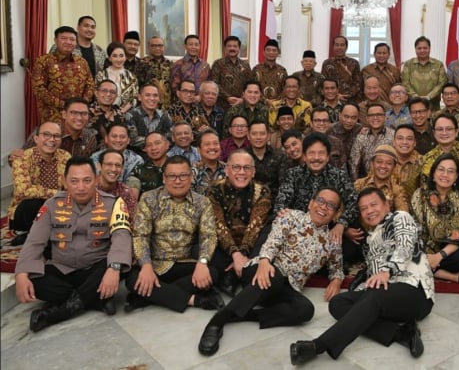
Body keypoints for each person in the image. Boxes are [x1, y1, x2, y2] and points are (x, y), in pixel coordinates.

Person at [289, 187, 435, 365]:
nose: (369, 211)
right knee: (339, 304)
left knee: (374, 295)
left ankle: (317, 346)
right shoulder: (371, 238)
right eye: (364, 208)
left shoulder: (400, 218)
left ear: (387, 205)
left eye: (373, 205)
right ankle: (402, 333)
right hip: (385, 294)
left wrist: (386, 270)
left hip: (414, 292)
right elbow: (372, 276)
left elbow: (405, 246)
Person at [198, 187, 345, 356]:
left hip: (286, 286)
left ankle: (241, 315)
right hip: (260, 270)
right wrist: (265, 261)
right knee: (274, 275)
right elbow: (272, 241)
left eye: (331, 205)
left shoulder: (332, 241)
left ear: (335, 214)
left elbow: (337, 268)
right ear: (311, 203)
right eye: (320, 200)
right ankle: (217, 321)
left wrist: (336, 280)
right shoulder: (291, 217)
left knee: (306, 310)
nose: (324, 207)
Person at [14, 156, 132, 332]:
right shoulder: (52, 205)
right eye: (74, 181)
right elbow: (34, 241)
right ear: (64, 181)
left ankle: (58, 313)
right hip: (63, 269)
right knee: (35, 280)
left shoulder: (113, 203)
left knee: (116, 267)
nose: (81, 187)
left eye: (87, 180)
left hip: (95, 268)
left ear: (97, 179)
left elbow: (122, 238)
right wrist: (21, 274)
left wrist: (114, 268)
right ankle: (95, 299)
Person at [125, 155, 223, 313]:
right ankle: (193, 300)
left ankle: (149, 295)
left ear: (191, 177)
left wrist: (203, 262)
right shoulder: (149, 198)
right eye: (172, 176)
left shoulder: (202, 202)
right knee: (132, 280)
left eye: (183, 175)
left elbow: (209, 235)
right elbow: (140, 235)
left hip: (184, 262)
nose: (178, 181)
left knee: (212, 273)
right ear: (164, 178)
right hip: (155, 264)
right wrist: (146, 265)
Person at [275, 133, 359, 249]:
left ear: (328, 156)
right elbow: (281, 205)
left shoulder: (339, 176)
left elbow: (354, 202)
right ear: (304, 156)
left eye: (321, 153)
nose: (316, 158)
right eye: (311, 153)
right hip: (296, 231)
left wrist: (341, 224)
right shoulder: (293, 174)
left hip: (329, 230)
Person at [206, 150, 272, 296]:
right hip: (223, 245)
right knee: (204, 243)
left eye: (246, 168)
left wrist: (243, 252)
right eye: (236, 167)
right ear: (227, 170)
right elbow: (218, 225)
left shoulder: (262, 191)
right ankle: (240, 272)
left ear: (253, 172)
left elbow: (255, 226)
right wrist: (236, 255)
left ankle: (235, 274)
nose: (241, 172)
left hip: (250, 245)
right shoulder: (214, 190)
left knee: (268, 231)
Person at [411, 153, 459, 288]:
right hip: (424, 246)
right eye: (441, 170)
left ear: (456, 177)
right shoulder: (420, 194)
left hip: (448, 249)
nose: (445, 175)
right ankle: (455, 277)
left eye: (450, 171)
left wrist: (438, 256)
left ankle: (427, 269)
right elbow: (415, 229)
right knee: (409, 253)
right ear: (433, 174)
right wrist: (428, 255)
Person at [8, 122, 71, 246]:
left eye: (56, 136)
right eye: (46, 134)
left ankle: (34, 236)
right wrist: (57, 194)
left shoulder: (66, 157)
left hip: (57, 207)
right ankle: (43, 241)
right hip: (27, 212)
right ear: (36, 139)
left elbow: (70, 184)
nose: (51, 139)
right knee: (33, 204)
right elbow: (24, 190)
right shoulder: (22, 158)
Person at [33, 26, 95, 124]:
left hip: (79, 116)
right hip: (53, 116)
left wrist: (81, 104)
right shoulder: (43, 61)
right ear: (55, 40)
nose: (68, 42)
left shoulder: (82, 62)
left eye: (72, 40)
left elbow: (90, 84)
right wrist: (65, 105)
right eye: (64, 39)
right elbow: (39, 89)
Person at [18, 97, 97, 158]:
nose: (79, 118)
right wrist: (14, 156)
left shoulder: (89, 137)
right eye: (74, 113)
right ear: (64, 114)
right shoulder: (45, 131)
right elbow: (20, 157)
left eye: (84, 113)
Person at [354, 145, 409, 212]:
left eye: (389, 163)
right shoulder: (359, 184)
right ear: (372, 164)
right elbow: (351, 210)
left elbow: (403, 214)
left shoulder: (397, 190)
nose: (383, 166)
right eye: (379, 162)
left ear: (394, 168)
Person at [349, 103, 395, 180]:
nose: (375, 118)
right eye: (371, 115)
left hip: (389, 180)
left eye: (379, 114)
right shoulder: (361, 137)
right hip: (366, 181)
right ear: (367, 118)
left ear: (385, 117)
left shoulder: (394, 136)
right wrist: (356, 184)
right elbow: (354, 164)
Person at [401, 36, 447, 112]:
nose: (422, 50)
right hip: (412, 106)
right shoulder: (408, 64)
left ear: (429, 48)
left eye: (425, 48)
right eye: (419, 48)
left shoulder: (438, 64)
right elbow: (405, 83)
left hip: (433, 107)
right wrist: (415, 97)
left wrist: (429, 97)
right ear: (415, 49)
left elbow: (442, 83)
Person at [246, 121, 288, 196]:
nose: (258, 137)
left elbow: (284, 186)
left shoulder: (280, 156)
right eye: (254, 134)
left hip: (274, 201)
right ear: (248, 136)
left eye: (262, 134)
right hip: (247, 200)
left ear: (268, 136)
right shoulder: (242, 157)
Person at [211, 35, 253, 110]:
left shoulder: (245, 65)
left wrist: (242, 98)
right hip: (222, 105)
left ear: (239, 48)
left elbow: (250, 84)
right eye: (229, 46)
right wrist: (227, 97)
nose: (232, 48)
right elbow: (214, 83)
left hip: (242, 104)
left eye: (235, 46)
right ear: (225, 48)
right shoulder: (218, 64)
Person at [95, 42, 138, 115]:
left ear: (125, 57)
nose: (118, 59)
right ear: (109, 58)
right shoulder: (101, 75)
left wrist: (121, 112)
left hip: (125, 114)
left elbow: (133, 99)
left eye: (121, 56)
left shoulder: (131, 76)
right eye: (114, 56)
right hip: (102, 113)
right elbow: (97, 95)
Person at [96, 149, 138, 220]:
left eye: (118, 165)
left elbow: (132, 222)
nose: (113, 169)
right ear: (99, 166)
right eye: (109, 164)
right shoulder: (86, 188)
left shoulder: (126, 193)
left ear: (122, 169)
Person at [127, 132, 170, 197]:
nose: (153, 148)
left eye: (157, 143)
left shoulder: (179, 166)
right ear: (145, 149)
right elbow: (132, 198)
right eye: (149, 145)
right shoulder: (138, 170)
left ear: (167, 145)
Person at [169, 34, 211, 99]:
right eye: (190, 44)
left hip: (201, 101)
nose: (193, 47)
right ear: (185, 46)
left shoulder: (205, 65)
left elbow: (209, 85)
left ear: (200, 46)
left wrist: (200, 97)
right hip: (183, 102)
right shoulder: (178, 64)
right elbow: (175, 86)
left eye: (196, 45)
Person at [322, 36, 362, 102]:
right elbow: (323, 83)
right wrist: (335, 96)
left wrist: (346, 96)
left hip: (350, 101)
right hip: (331, 100)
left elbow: (358, 84)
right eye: (337, 45)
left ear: (346, 47)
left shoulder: (354, 63)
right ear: (333, 47)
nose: (339, 47)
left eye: (342, 45)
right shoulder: (327, 63)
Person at [327, 103, 363, 174]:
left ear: (358, 118)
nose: (349, 121)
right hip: (334, 169)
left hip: (356, 169)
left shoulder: (360, 129)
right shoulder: (329, 129)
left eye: (353, 118)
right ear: (339, 115)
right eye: (346, 117)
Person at [88, 80, 125, 146]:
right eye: (104, 91)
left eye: (112, 92)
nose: (108, 94)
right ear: (96, 93)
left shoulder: (121, 113)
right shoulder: (86, 112)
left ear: (116, 95)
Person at [311, 107, 347, 171]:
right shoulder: (304, 142)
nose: (321, 123)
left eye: (325, 120)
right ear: (311, 123)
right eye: (317, 120)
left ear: (329, 123)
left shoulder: (338, 143)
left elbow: (343, 169)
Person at [392, 124, 422, 200]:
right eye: (400, 138)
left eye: (409, 139)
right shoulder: (385, 161)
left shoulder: (422, 162)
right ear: (394, 142)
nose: (404, 142)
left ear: (414, 143)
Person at [142, 36, 173, 109]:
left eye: (160, 45)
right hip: (148, 106)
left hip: (167, 107)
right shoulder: (141, 63)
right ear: (148, 47)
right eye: (154, 46)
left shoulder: (171, 64)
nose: (157, 48)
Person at [192, 129, 226, 195]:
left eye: (215, 143)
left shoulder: (229, 169)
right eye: (207, 144)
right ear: (198, 149)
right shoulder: (191, 172)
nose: (212, 147)